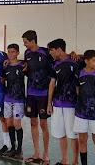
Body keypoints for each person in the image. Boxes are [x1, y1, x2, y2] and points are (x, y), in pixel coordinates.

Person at [21, 30, 53, 164]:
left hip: (44, 94)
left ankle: (46, 154)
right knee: (33, 122)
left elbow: (54, 68)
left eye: (26, 42)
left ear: (32, 41)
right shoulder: (27, 53)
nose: (24, 45)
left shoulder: (46, 52)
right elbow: (27, 70)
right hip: (31, 94)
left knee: (43, 124)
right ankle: (36, 153)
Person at [47, 38, 79, 165]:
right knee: (61, 134)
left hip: (71, 105)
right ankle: (64, 160)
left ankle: (75, 162)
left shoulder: (76, 62)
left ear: (59, 49)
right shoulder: (54, 64)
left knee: (73, 135)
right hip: (57, 104)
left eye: (52, 51)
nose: (51, 53)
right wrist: (49, 103)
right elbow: (52, 84)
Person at [74, 50, 95, 165]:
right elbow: (78, 91)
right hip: (81, 113)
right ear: (86, 61)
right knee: (82, 139)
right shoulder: (79, 73)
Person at [1, 43, 27, 159]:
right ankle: (12, 147)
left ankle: (19, 149)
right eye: (9, 51)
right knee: (9, 123)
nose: (10, 54)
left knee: (17, 123)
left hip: (18, 99)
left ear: (17, 53)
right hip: (7, 98)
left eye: (13, 52)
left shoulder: (23, 65)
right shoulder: (5, 66)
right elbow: (2, 79)